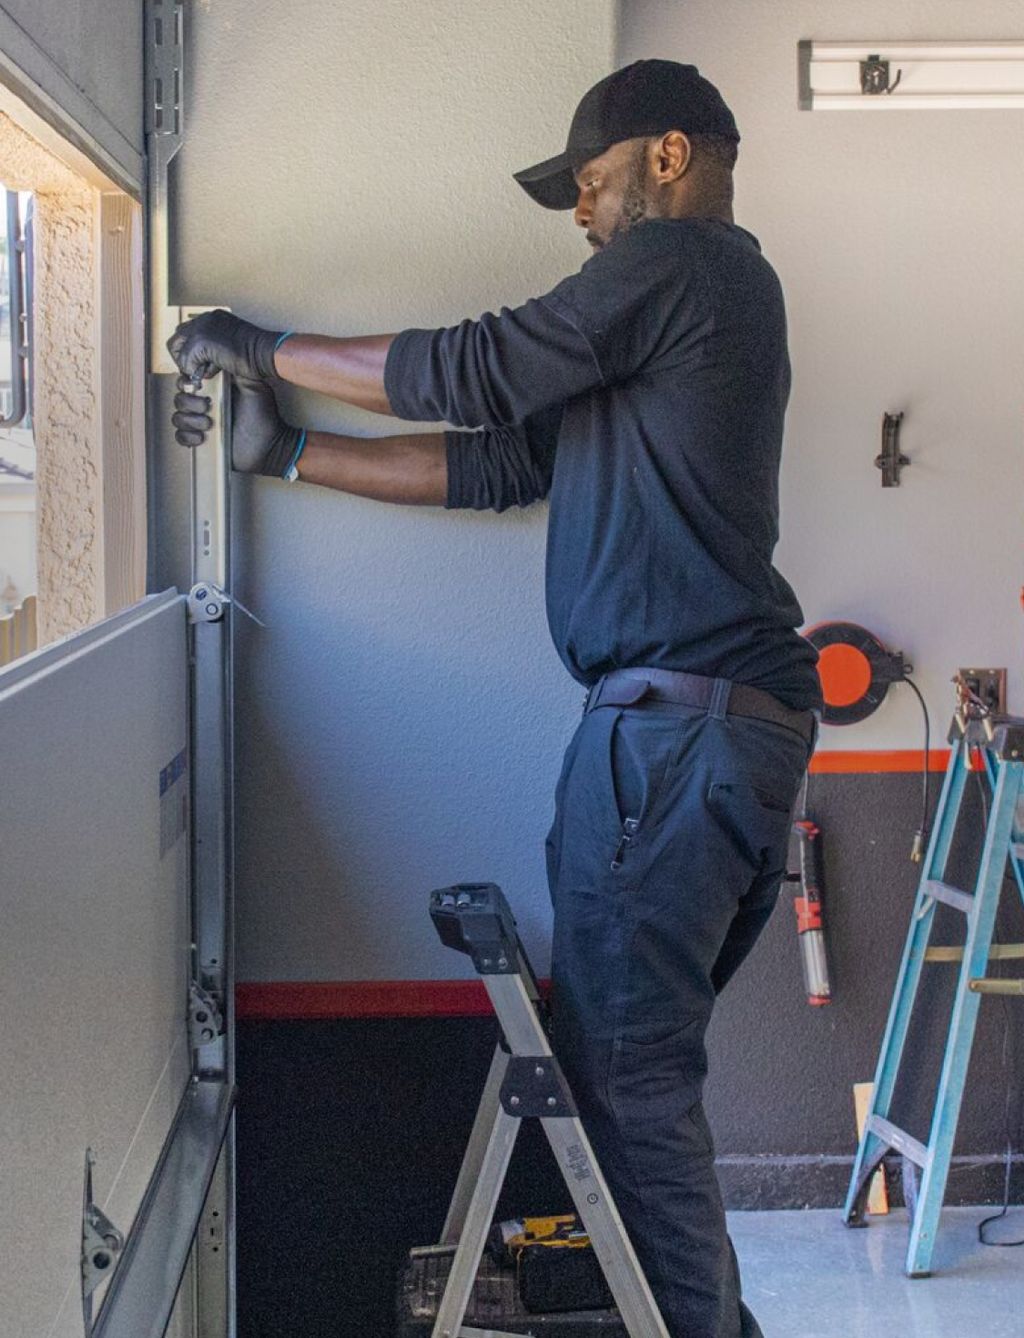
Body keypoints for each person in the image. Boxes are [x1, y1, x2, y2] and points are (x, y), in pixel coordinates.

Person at [169, 58, 821, 1338]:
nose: (583, 216)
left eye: (590, 185)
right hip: (706, 734)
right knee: (632, 1073)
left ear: (669, 158)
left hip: (673, 735)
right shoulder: (679, 323)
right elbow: (494, 461)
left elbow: (470, 371)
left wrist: (262, 346)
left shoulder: (684, 266)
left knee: (628, 1084)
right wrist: (291, 447)